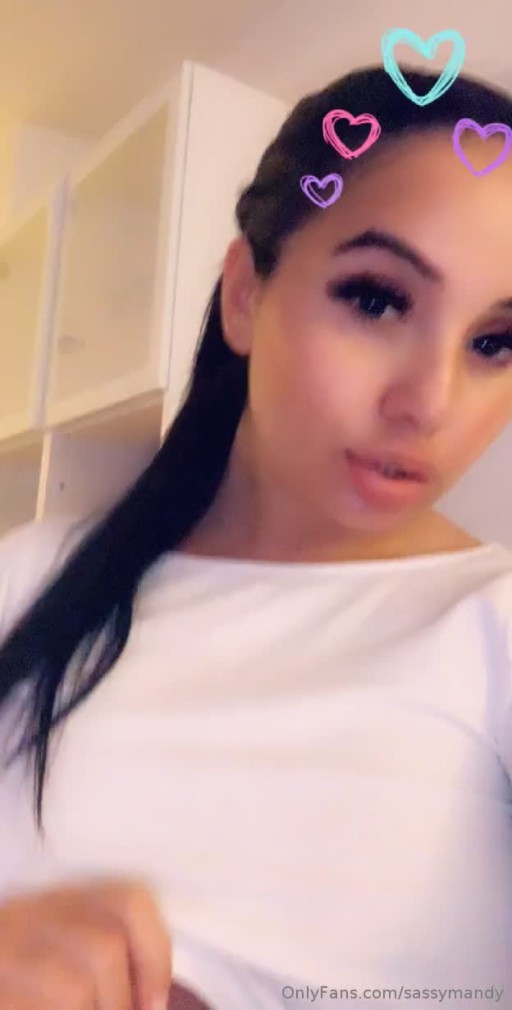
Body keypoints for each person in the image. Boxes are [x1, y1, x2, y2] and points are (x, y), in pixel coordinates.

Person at [1, 61, 512, 1010]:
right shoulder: (30, 577)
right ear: (245, 294)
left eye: (495, 343)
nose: (431, 403)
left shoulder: (494, 624)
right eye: (377, 299)